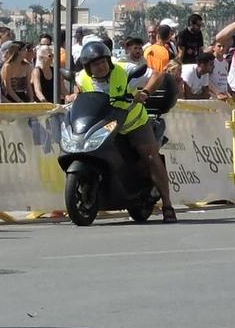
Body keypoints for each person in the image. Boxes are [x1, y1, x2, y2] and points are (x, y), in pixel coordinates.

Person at [72, 36, 176, 221]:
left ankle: (167, 205)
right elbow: (79, 93)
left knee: (150, 156)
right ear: (88, 68)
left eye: (103, 62)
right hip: (102, 125)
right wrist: (72, 97)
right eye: (95, 65)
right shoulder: (81, 77)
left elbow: (157, 75)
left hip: (132, 122)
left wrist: (145, 92)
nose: (101, 67)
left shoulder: (125, 70)